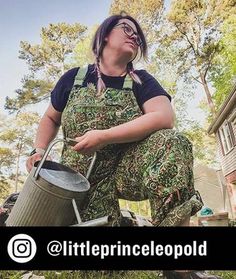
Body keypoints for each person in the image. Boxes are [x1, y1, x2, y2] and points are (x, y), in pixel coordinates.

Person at [27, 14, 203, 227]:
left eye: (138, 36)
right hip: (77, 178)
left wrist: (104, 136)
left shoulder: (142, 81)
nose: (135, 37)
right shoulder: (74, 78)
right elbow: (50, 118)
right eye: (127, 29)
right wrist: (38, 150)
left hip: (125, 171)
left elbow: (164, 116)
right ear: (105, 34)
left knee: (173, 143)